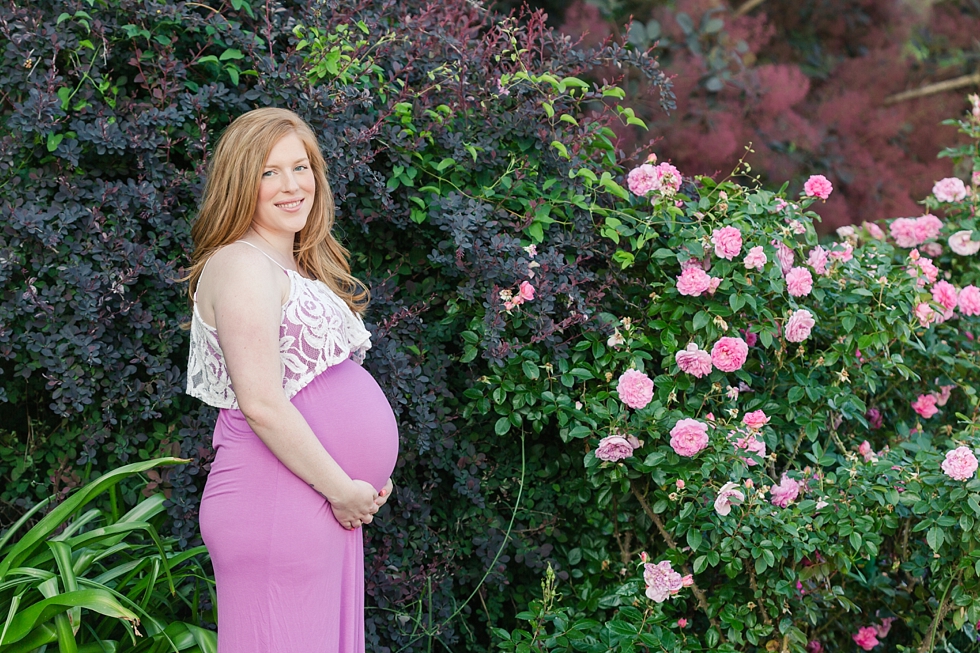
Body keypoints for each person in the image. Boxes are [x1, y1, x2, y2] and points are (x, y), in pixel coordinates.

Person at [185, 107, 399, 652]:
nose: (291, 186)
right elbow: (260, 402)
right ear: (241, 184)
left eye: (300, 167)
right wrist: (343, 488)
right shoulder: (241, 265)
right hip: (277, 502)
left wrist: (359, 485)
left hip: (319, 500)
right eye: (268, 172)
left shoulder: (290, 265)